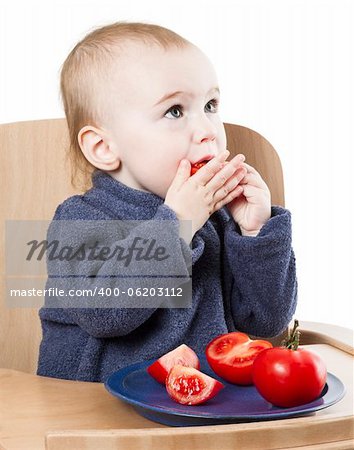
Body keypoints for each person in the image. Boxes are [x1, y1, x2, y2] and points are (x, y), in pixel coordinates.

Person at [37, 21, 297, 382]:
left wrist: (255, 234)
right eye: (175, 111)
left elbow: (266, 321)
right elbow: (103, 313)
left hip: (203, 408)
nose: (208, 131)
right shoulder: (79, 220)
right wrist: (176, 225)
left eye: (210, 105)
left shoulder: (218, 219)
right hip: (102, 416)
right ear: (104, 147)